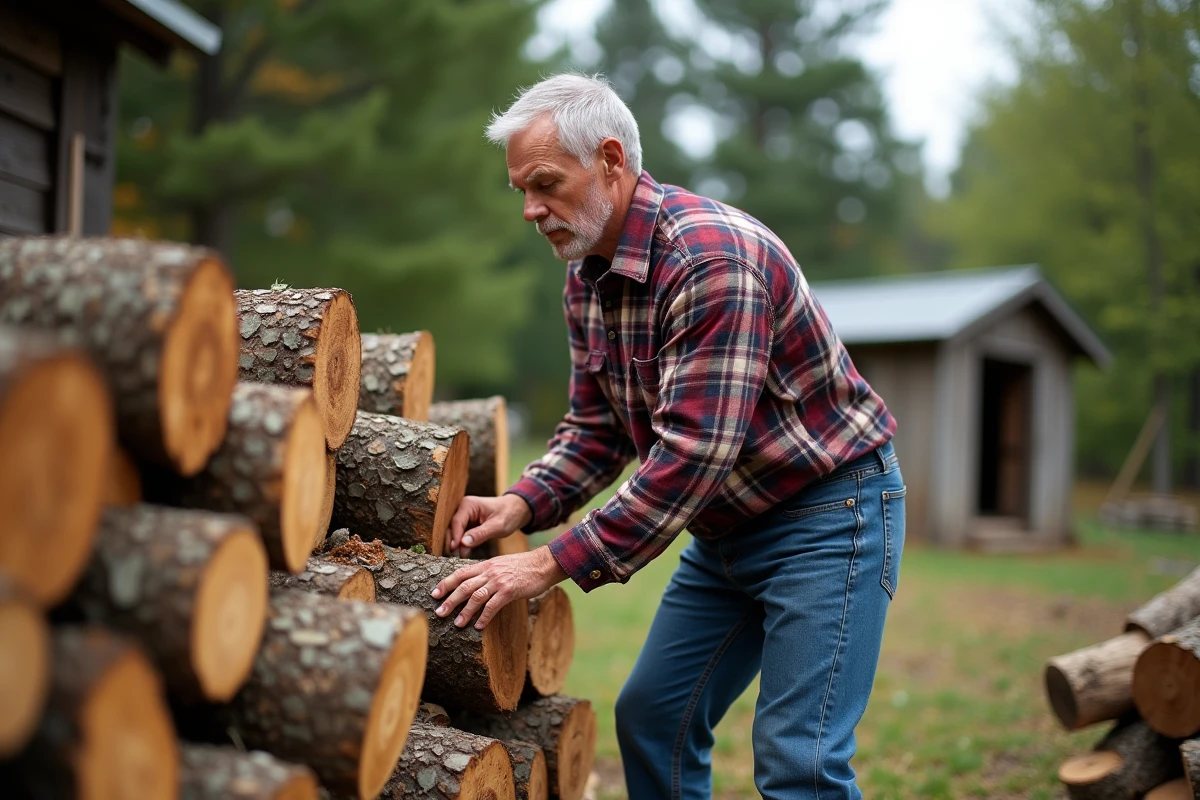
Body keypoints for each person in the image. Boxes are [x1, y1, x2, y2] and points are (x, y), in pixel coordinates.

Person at [429, 73, 905, 800]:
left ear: (611, 161)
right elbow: (597, 426)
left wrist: (545, 564)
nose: (530, 210)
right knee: (654, 718)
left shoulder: (711, 260)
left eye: (547, 184)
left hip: (827, 519)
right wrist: (521, 504)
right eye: (520, 190)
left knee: (798, 760)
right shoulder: (586, 271)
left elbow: (692, 457)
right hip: (726, 531)